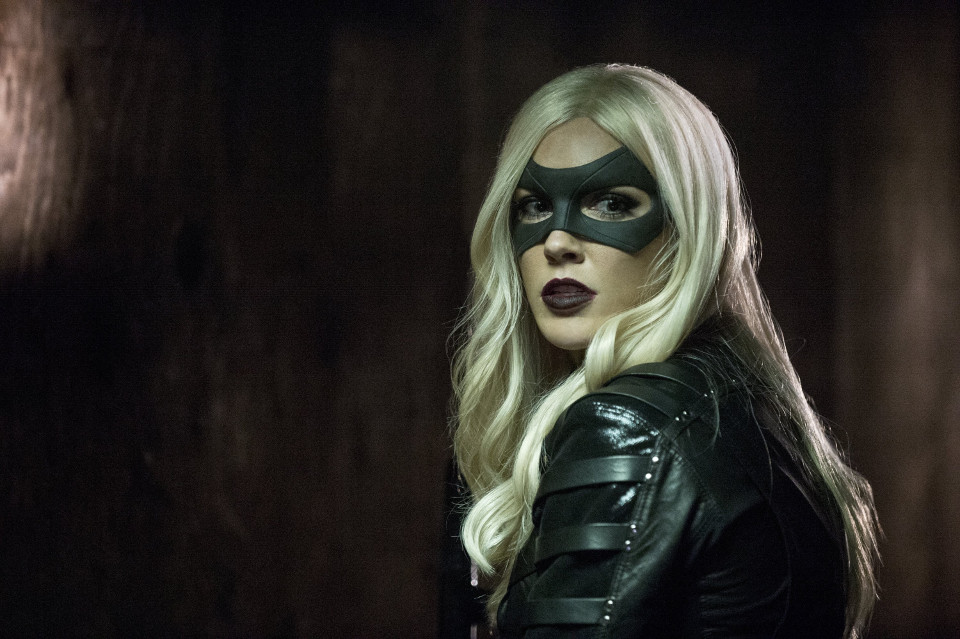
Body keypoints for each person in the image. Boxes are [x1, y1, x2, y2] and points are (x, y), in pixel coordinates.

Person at [449, 64, 879, 638]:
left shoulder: (628, 426)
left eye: (611, 203)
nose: (557, 241)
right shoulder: (740, 403)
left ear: (687, 227)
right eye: (533, 206)